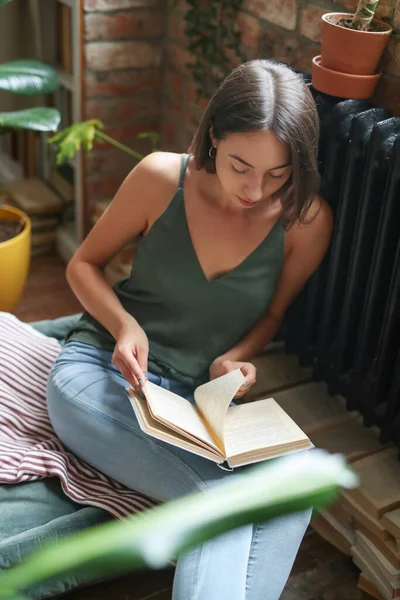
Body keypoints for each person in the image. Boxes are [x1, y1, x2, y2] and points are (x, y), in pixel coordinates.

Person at [47, 59, 333, 600]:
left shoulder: (307, 221)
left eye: (277, 173)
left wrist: (236, 358)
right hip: (100, 375)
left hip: (198, 406)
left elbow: (272, 314)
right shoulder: (160, 178)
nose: (255, 188)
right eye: (240, 165)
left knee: (298, 483)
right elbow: (82, 265)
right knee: (217, 499)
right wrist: (126, 325)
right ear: (214, 139)